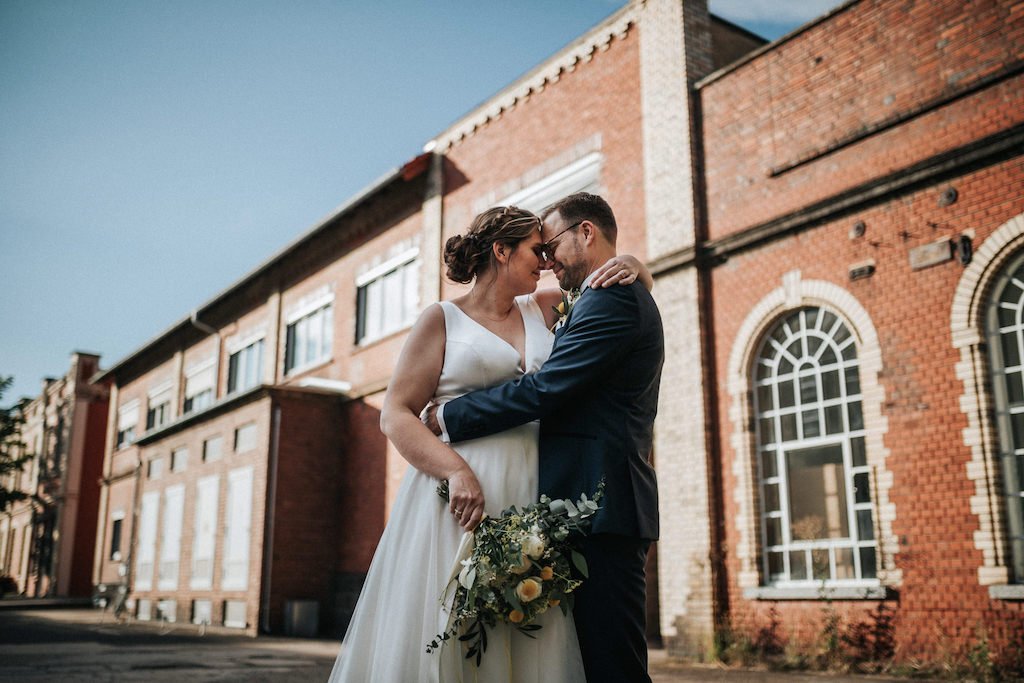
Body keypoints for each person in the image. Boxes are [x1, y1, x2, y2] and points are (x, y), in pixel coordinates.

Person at [327, 204, 652, 683]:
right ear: (501, 251)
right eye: (535, 251)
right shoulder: (440, 320)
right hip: (460, 494)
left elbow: (608, 308)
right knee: (450, 627)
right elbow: (396, 415)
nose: (545, 262)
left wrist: (639, 268)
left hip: (531, 494)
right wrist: (454, 471)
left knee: (524, 627)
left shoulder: (545, 308)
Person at [432, 192, 664, 683]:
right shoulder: (595, 297)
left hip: (602, 508)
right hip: (577, 509)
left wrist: (450, 414)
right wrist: (639, 268)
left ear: (586, 232)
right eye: (537, 250)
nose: (546, 259)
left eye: (551, 244)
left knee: (613, 666)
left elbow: (546, 389)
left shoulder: (612, 300)